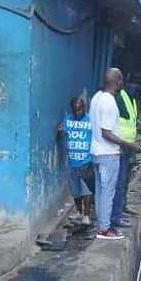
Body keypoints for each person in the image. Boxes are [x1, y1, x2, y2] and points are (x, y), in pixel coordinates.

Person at [89, 68, 138, 240]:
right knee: (108, 192)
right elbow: (106, 133)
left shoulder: (96, 98)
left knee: (101, 192)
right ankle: (104, 229)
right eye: (121, 78)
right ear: (117, 81)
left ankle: (101, 225)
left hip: (96, 152)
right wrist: (130, 145)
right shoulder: (109, 102)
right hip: (108, 153)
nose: (122, 82)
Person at [57, 96, 94, 225]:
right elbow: (61, 135)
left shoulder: (91, 120)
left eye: (80, 109)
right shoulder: (68, 119)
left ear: (84, 108)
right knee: (76, 191)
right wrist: (60, 131)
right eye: (75, 110)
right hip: (72, 162)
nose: (77, 112)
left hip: (86, 161)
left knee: (86, 190)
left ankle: (87, 215)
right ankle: (79, 212)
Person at [110, 78, 140, 230]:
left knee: (126, 179)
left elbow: (132, 121)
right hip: (120, 147)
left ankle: (122, 207)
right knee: (119, 182)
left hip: (128, 147)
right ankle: (115, 217)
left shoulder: (131, 99)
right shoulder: (119, 98)